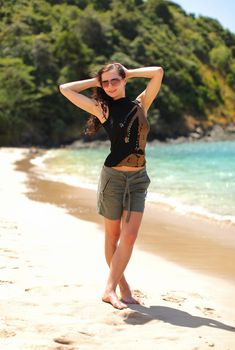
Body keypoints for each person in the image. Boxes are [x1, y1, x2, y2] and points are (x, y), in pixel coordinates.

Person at [59, 63, 163, 309]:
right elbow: (65, 89)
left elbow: (158, 72)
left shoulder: (141, 103)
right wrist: (96, 81)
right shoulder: (102, 108)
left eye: (115, 81)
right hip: (113, 178)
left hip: (138, 179)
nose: (110, 86)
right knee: (113, 236)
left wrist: (129, 72)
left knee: (130, 236)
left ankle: (111, 289)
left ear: (124, 80)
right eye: (105, 83)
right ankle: (119, 288)